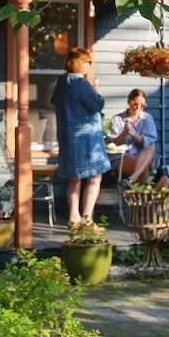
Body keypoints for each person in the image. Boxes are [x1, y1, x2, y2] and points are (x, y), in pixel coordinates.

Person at [52, 46, 109, 226]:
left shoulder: (62, 82)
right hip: (86, 137)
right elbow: (97, 104)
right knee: (95, 177)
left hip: (68, 136)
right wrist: (94, 88)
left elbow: (54, 101)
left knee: (74, 178)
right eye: (88, 62)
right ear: (79, 63)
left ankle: (73, 216)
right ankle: (87, 218)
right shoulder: (80, 83)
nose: (90, 65)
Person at [107, 88, 158, 183]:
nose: (138, 107)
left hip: (144, 155)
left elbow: (149, 141)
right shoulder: (118, 119)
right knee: (143, 167)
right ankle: (136, 187)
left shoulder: (147, 118)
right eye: (135, 104)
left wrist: (134, 134)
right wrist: (125, 133)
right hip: (122, 156)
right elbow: (113, 144)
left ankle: (132, 179)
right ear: (129, 102)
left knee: (150, 150)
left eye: (142, 105)